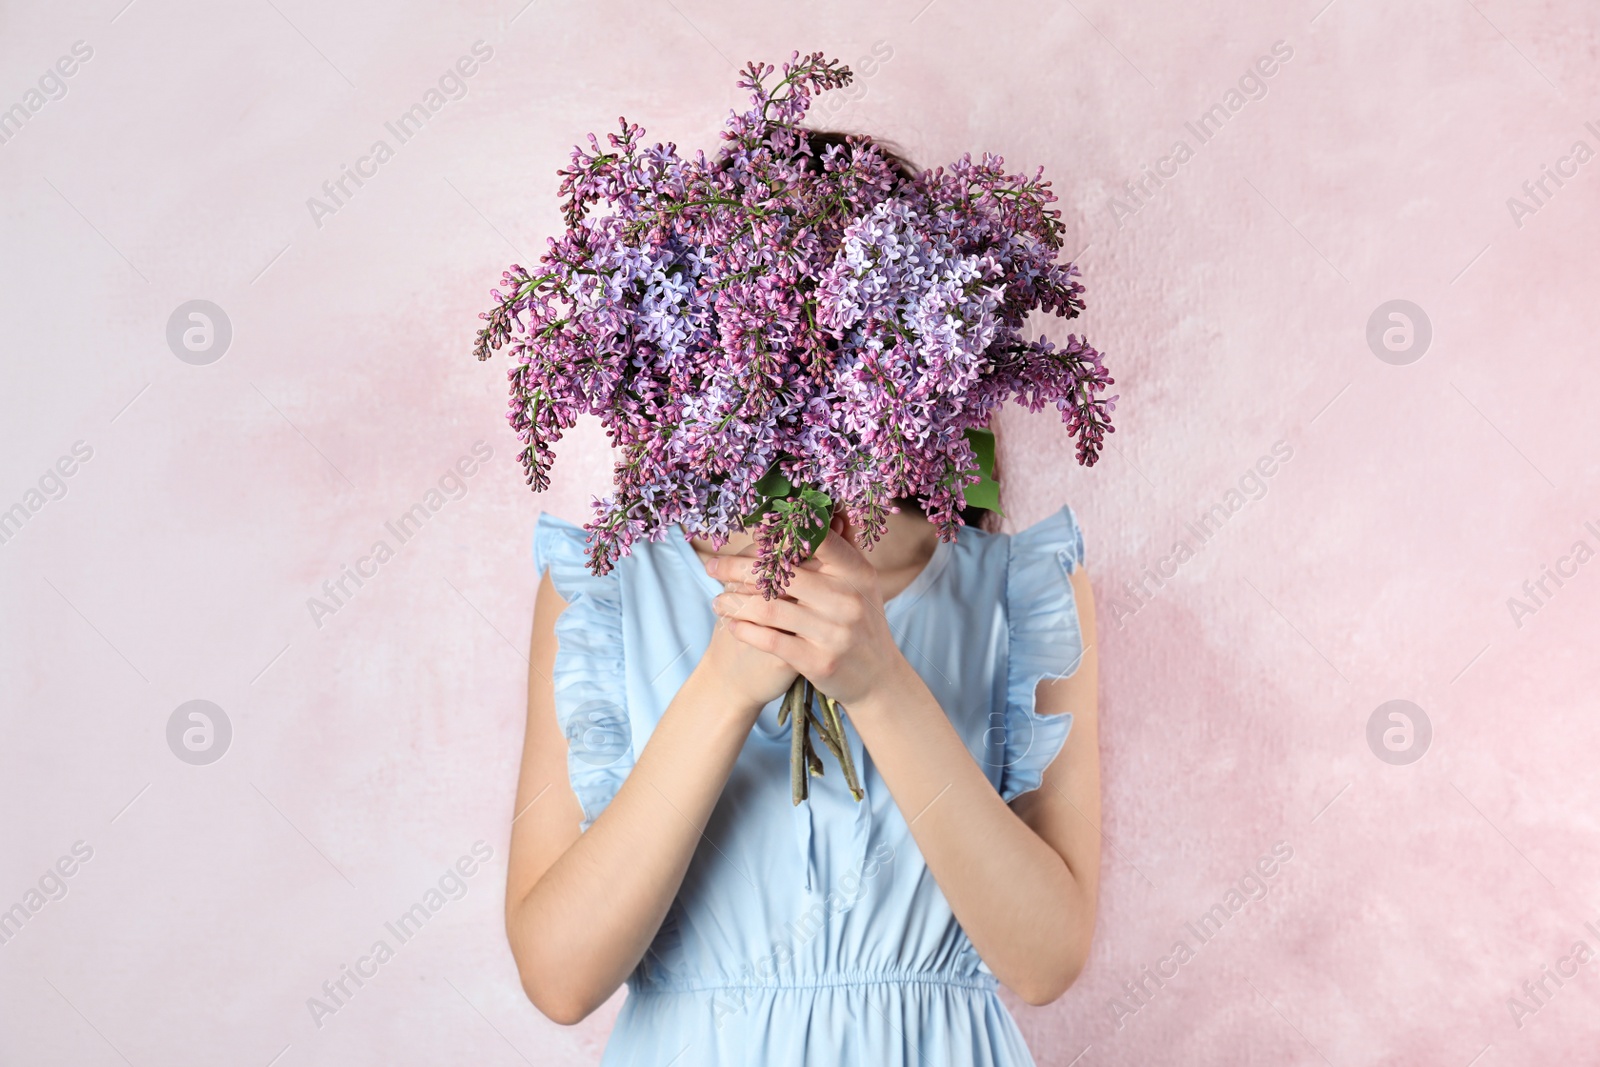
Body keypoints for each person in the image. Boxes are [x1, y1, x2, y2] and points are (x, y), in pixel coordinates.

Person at [504, 133, 1101, 1066]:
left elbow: (1046, 959)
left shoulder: (1021, 595)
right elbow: (560, 975)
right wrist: (725, 680)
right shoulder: (605, 589)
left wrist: (879, 682)